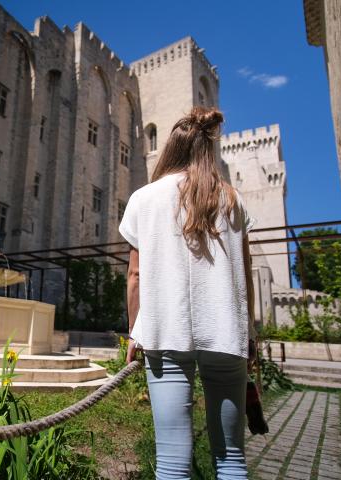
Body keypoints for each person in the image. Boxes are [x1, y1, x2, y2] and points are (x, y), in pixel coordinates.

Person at [118, 106, 257, 480]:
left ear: (169, 151)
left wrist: (135, 330)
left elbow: (135, 275)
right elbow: (245, 272)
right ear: (206, 149)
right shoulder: (232, 199)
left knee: (172, 462)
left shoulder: (143, 199)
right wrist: (250, 331)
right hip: (227, 333)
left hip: (166, 333)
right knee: (231, 460)